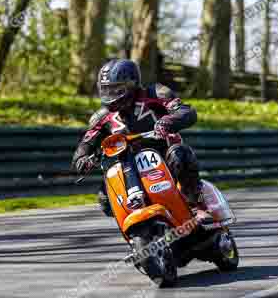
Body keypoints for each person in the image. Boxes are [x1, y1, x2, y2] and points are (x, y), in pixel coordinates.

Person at [71, 59, 201, 217]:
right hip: (128, 166)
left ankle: (197, 205)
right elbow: (85, 144)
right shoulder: (101, 118)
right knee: (105, 199)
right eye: (106, 89)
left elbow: (187, 111)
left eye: (116, 89)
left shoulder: (156, 93)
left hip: (164, 157)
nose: (110, 95)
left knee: (179, 154)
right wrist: (82, 159)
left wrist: (167, 121)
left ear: (132, 85)